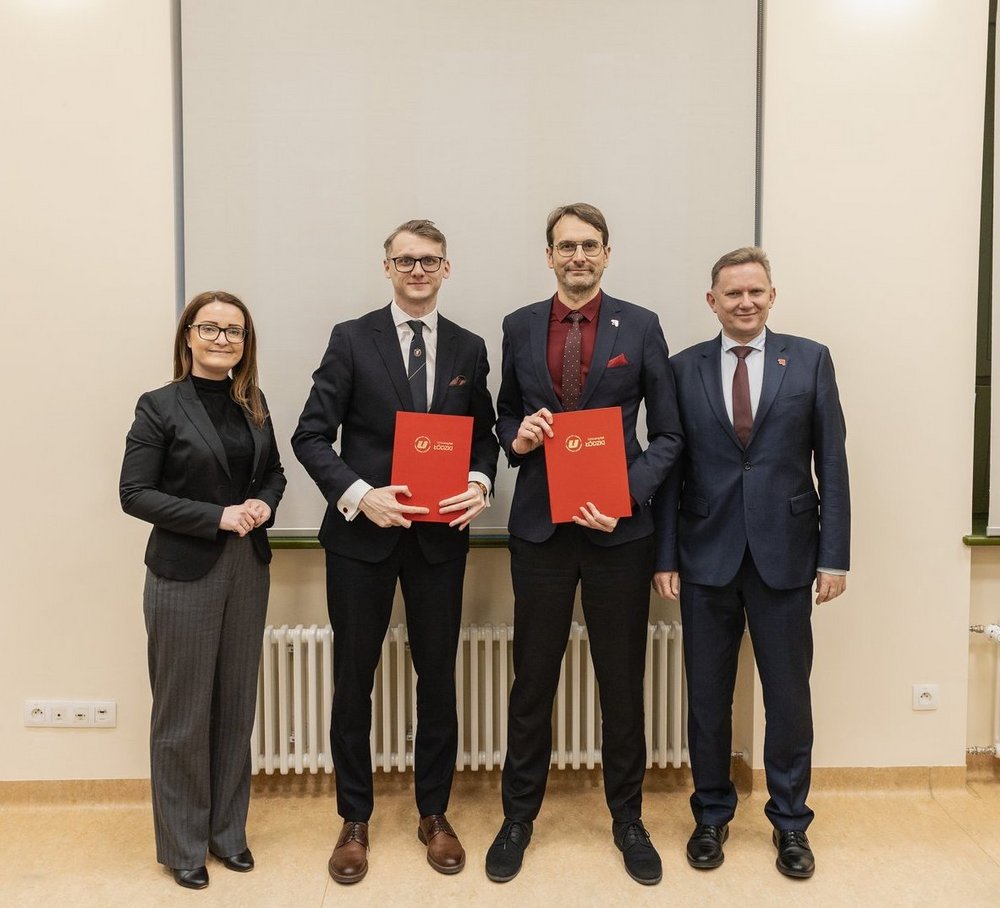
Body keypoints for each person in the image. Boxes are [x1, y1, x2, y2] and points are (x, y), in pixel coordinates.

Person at [292, 219, 499, 884]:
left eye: (429, 260)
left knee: (437, 680)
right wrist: (360, 494)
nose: (417, 270)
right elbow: (311, 435)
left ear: (446, 268)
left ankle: (434, 813)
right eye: (406, 260)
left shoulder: (468, 347)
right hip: (363, 540)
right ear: (387, 267)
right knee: (354, 681)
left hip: (439, 542)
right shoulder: (351, 339)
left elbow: (485, 434)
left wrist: (480, 480)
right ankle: (354, 819)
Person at [486, 203, 683, 886]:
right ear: (549, 255)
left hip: (618, 534)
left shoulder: (642, 325)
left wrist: (627, 495)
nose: (578, 256)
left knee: (622, 684)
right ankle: (518, 818)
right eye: (566, 246)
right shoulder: (518, 325)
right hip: (540, 531)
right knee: (531, 683)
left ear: (606, 253)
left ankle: (629, 820)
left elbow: (669, 436)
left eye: (589, 245)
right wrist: (516, 437)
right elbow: (503, 415)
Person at [653, 246, 850, 879]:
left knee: (788, 700)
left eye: (755, 292)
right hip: (704, 557)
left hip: (786, 557)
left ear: (772, 296)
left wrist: (834, 558)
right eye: (733, 293)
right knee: (707, 700)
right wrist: (665, 556)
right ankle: (711, 815)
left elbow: (832, 464)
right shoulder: (682, 368)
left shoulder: (810, 360)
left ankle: (791, 823)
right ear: (711, 301)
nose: (745, 302)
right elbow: (670, 469)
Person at [120, 291, 286, 890]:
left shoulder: (254, 403)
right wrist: (217, 516)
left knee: (235, 709)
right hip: (183, 571)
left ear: (246, 343)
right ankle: (183, 845)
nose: (222, 339)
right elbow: (135, 493)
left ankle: (226, 834)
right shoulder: (159, 405)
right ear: (188, 334)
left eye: (234, 331)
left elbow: (274, 473)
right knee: (182, 716)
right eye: (210, 328)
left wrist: (262, 504)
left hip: (247, 567)